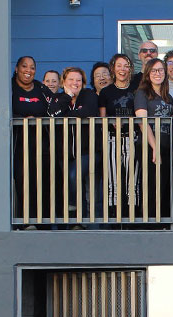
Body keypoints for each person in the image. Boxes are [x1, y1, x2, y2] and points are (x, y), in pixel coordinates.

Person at [54, 67, 100, 218]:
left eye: (79, 80)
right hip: (65, 152)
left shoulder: (89, 95)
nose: (75, 83)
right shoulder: (60, 98)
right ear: (63, 82)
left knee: (74, 176)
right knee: (72, 183)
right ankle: (76, 222)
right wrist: (67, 97)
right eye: (71, 80)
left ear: (84, 82)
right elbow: (53, 113)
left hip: (88, 151)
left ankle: (73, 208)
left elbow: (88, 112)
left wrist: (66, 114)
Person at [134, 57, 173, 220]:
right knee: (151, 186)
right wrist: (154, 147)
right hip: (148, 147)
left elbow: (172, 124)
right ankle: (149, 223)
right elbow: (142, 123)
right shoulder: (142, 93)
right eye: (154, 70)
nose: (158, 73)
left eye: (161, 70)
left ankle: (163, 223)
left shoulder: (168, 97)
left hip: (166, 146)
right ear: (147, 73)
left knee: (164, 186)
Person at [99, 54, 140, 213]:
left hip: (133, 138)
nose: (123, 69)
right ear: (113, 69)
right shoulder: (106, 92)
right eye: (119, 66)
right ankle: (114, 218)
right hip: (112, 139)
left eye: (126, 66)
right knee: (113, 181)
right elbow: (102, 119)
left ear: (130, 69)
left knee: (133, 181)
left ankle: (132, 218)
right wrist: (111, 121)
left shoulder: (136, 90)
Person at [11, 56, 48, 215]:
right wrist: (22, 120)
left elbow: (53, 109)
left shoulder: (40, 88)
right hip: (18, 144)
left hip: (42, 144)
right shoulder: (9, 88)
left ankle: (43, 222)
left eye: (32, 67)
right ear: (17, 69)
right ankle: (25, 220)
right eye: (24, 66)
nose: (28, 70)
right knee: (22, 180)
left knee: (42, 181)